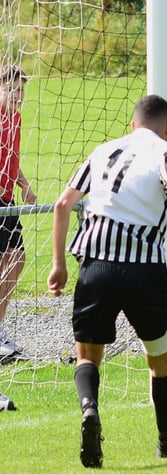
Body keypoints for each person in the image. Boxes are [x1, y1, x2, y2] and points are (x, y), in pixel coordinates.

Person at [47, 95, 167, 468]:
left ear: (132, 124)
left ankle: (89, 410)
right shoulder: (165, 151)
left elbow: (61, 205)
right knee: (159, 358)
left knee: (87, 355)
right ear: (166, 127)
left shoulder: (102, 150)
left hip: (96, 266)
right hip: (144, 271)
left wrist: (58, 264)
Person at [0, 64, 35, 364]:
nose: (17, 95)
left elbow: (11, 157)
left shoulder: (16, 118)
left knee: (17, 258)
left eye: (21, 90)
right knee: (7, 260)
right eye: (11, 89)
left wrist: (24, 185)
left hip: (7, 198)